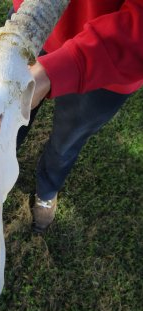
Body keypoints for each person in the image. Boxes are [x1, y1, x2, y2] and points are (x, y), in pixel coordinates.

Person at [11, 0, 143, 233]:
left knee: (68, 139)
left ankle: (47, 189)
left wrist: (63, 67)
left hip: (109, 56)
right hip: (32, 17)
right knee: (5, 119)